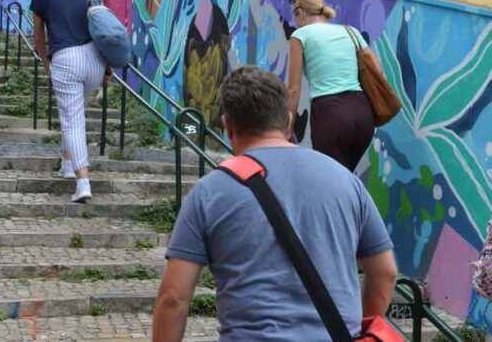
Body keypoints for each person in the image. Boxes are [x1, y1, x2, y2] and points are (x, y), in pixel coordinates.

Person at [153, 66, 397, 341]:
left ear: (228, 126)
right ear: (289, 121)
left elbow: (173, 298)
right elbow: (385, 272)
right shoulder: (346, 181)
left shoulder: (209, 193)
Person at [31, 0, 109, 203]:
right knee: (74, 112)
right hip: (93, 60)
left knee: (72, 120)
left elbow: (39, 37)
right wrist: (107, 63)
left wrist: (46, 62)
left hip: (65, 60)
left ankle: (83, 182)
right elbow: (100, 27)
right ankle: (67, 163)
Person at [287, 0, 383, 172]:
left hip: (331, 115)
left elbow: (293, 89)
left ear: (300, 13)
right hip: (363, 115)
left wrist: (287, 129)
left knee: (331, 182)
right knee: (345, 178)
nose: (295, 23)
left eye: (295, 17)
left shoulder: (300, 36)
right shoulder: (350, 31)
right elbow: (378, 70)